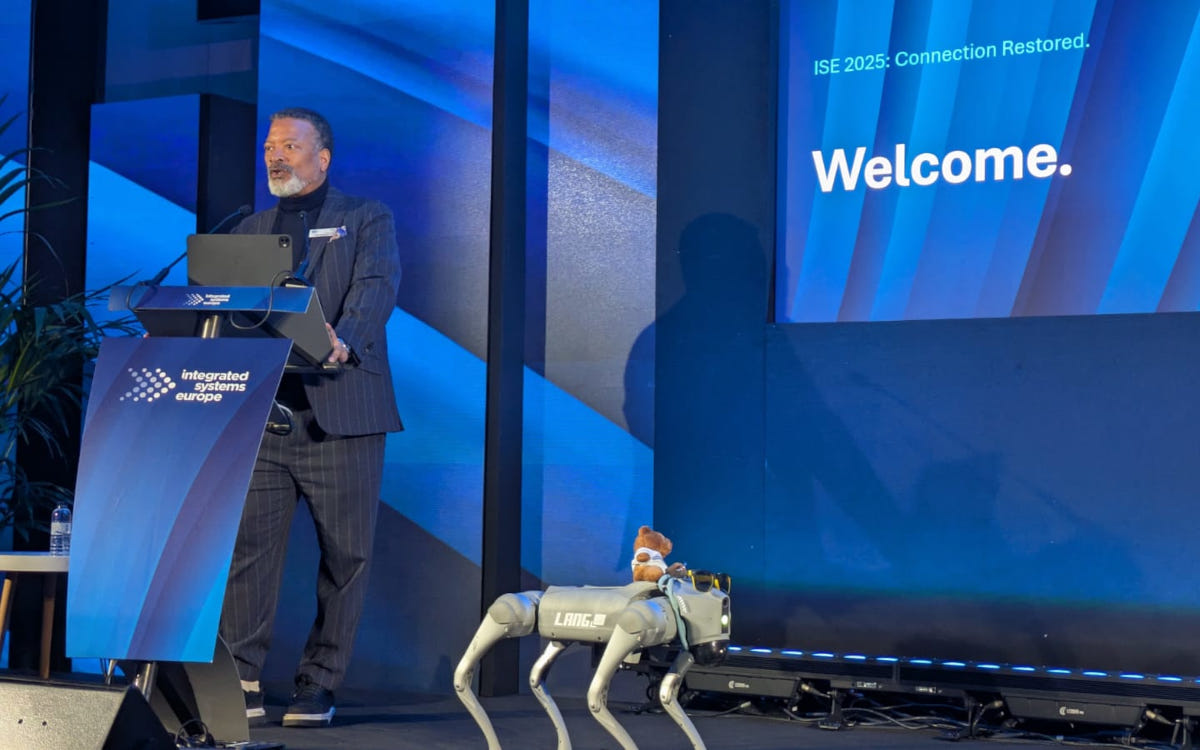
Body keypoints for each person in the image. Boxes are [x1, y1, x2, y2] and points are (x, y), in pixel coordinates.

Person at [219, 107, 403, 728]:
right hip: (266, 417)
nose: (275, 156)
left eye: (289, 146)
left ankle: (316, 686)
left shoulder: (364, 217)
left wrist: (343, 339)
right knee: (248, 554)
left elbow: (377, 288)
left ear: (322, 157)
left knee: (345, 559)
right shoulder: (249, 229)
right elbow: (229, 314)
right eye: (270, 146)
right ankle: (239, 681)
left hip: (342, 412)